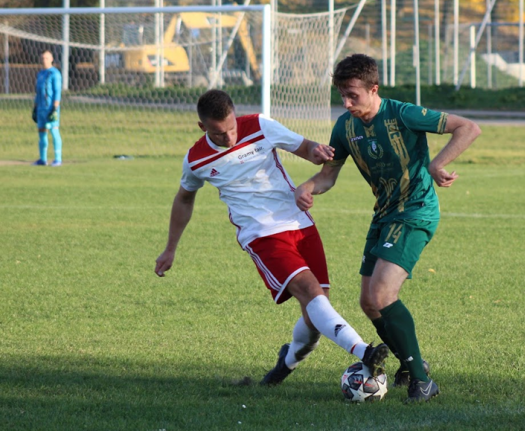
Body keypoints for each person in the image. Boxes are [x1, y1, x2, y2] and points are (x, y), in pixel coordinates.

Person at [154, 89, 388, 385]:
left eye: (231, 128)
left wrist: (318, 152)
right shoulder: (196, 160)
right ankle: (365, 352)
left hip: (299, 223)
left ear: (235, 115)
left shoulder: (260, 125)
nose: (229, 138)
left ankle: (285, 365)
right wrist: (170, 249)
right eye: (218, 133)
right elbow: (184, 199)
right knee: (310, 292)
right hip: (260, 233)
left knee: (316, 314)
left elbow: (305, 147)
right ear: (203, 128)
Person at [294, 54, 481, 403]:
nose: (347, 103)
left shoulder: (402, 113)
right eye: (342, 96)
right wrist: (306, 187)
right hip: (383, 215)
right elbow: (327, 177)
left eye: (354, 96)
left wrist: (437, 163)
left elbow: (468, 127)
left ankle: (422, 381)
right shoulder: (345, 127)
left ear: (373, 89)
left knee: (381, 295)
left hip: (415, 210)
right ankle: (410, 364)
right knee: (368, 302)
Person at [32, 49, 63, 166]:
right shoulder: (40, 74)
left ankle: (58, 159)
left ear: (51, 59)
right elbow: (38, 92)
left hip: (50, 108)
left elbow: (57, 91)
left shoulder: (55, 73)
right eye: (42, 58)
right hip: (40, 108)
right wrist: (35, 107)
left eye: (46, 58)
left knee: (54, 131)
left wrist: (55, 107)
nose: (44, 60)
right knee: (42, 133)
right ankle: (43, 159)